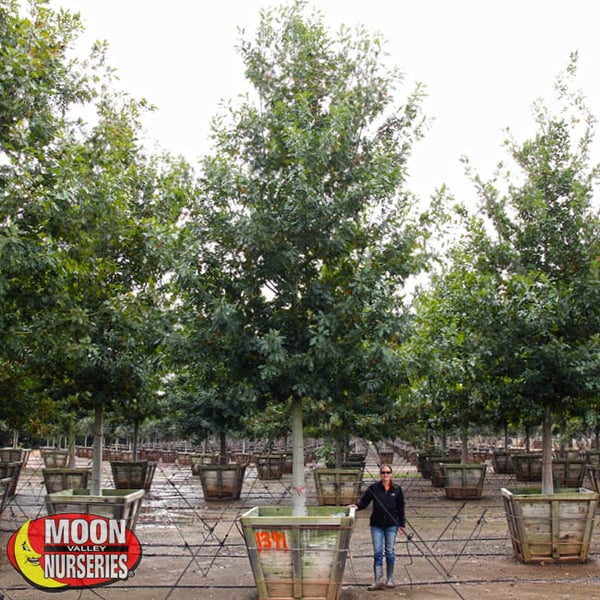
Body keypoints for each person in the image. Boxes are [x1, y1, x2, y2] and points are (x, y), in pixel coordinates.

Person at [349, 464, 406, 591]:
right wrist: (356, 506)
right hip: (377, 525)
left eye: (388, 472)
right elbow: (364, 502)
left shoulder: (397, 490)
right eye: (383, 473)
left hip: (392, 525)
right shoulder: (374, 488)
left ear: (391, 474)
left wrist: (401, 525)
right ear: (380, 474)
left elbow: (401, 507)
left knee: (390, 551)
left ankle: (390, 579)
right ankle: (377, 580)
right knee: (377, 552)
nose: (385, 475)